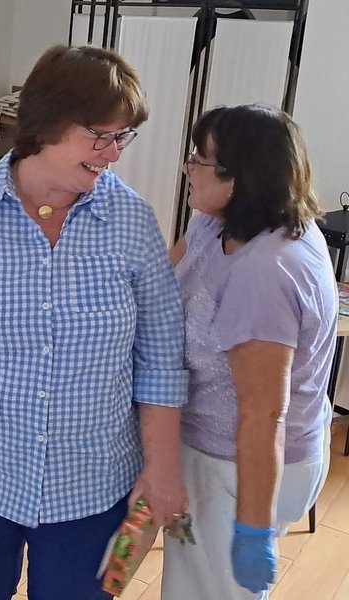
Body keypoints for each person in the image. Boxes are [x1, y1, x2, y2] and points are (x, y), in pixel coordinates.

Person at [0, 45, 188, 599]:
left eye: (123, 137)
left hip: (95, 483)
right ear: (47, 124)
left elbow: (160, 356)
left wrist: (161, 467)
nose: (114, 153)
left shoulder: (132, 220)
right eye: (101, 136)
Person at [162, 104, 336, 599]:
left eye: (199, 159)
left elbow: (264, 416)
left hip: (242, 466)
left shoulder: (265, 272)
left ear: (239, 178)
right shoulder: (216, 223)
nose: (187, 168)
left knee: (213, 592)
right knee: (188, 584)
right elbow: (161, 285)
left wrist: (253, 529)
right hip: (206, 448)